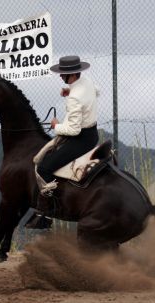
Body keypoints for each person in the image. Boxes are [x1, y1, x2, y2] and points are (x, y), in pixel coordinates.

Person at [32, 55, 99, 221]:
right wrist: (71, 90)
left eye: (64, 74)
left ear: (73, 75)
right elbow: (97, 91)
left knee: (44, 168)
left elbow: (74, 130)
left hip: (81, 139)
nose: (61, 77)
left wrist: (56, 126)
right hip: (93, 133)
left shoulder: (75, 97)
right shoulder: (87, 81)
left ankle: (47, 213)